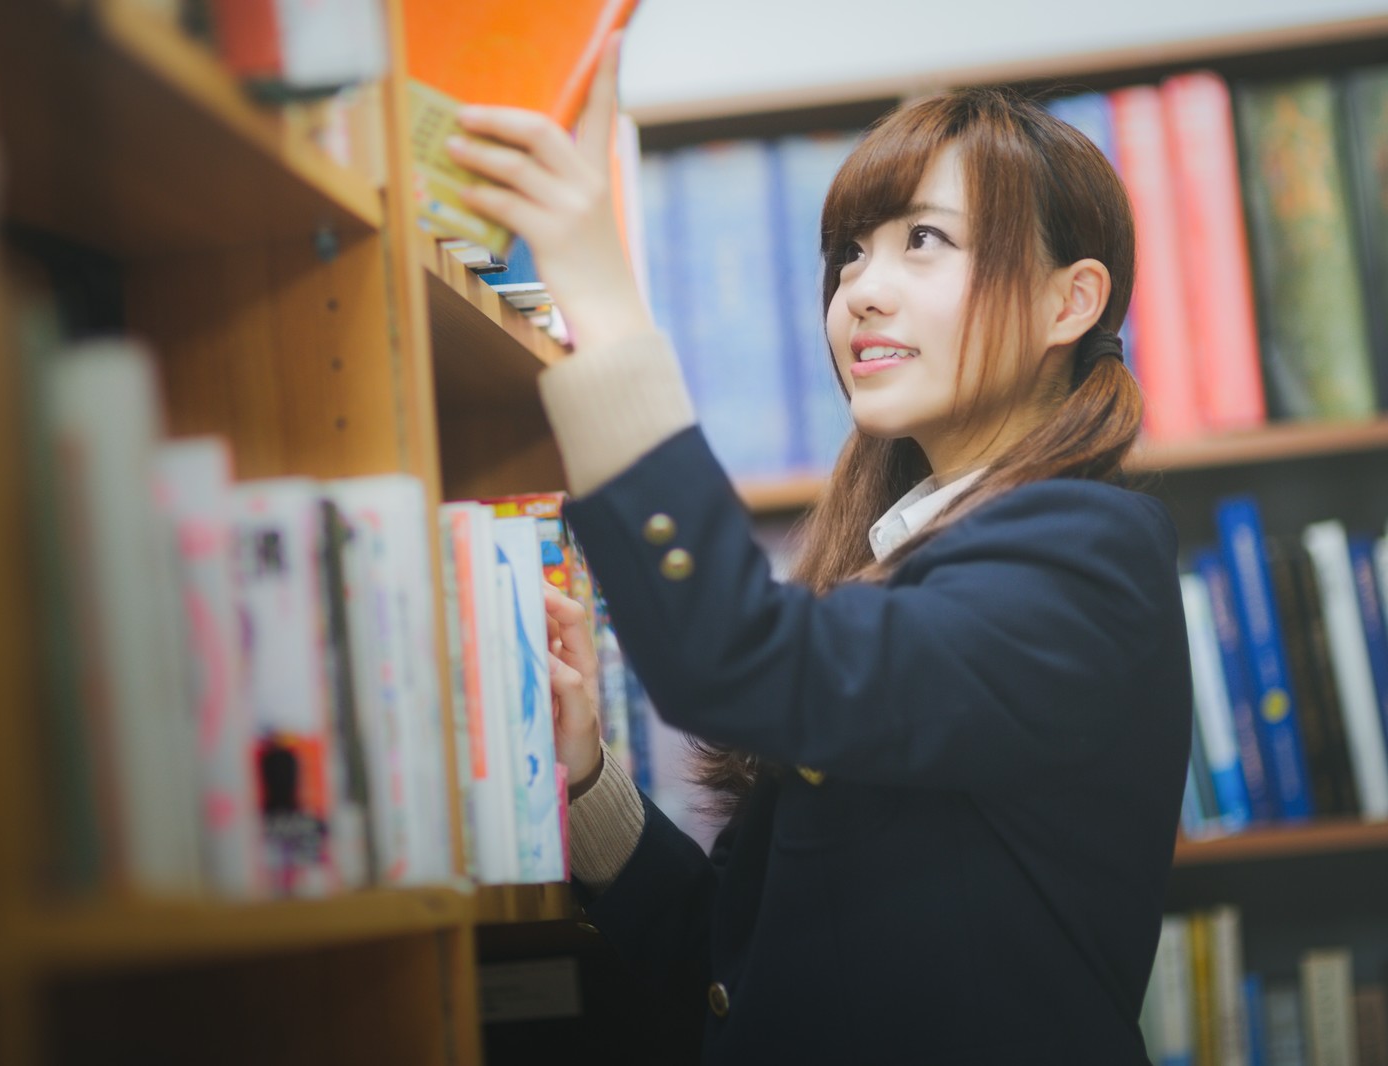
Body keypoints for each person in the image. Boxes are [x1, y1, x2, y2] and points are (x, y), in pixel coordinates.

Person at [447, 35, 1193, 1065]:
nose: (860, 292)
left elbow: (731, 657)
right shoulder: (903, 555)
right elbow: (737, 978)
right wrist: (585, 779)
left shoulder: (1088, 559)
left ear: (1068, 302)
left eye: (923, 241)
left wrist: (597, 287)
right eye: (849, 250)